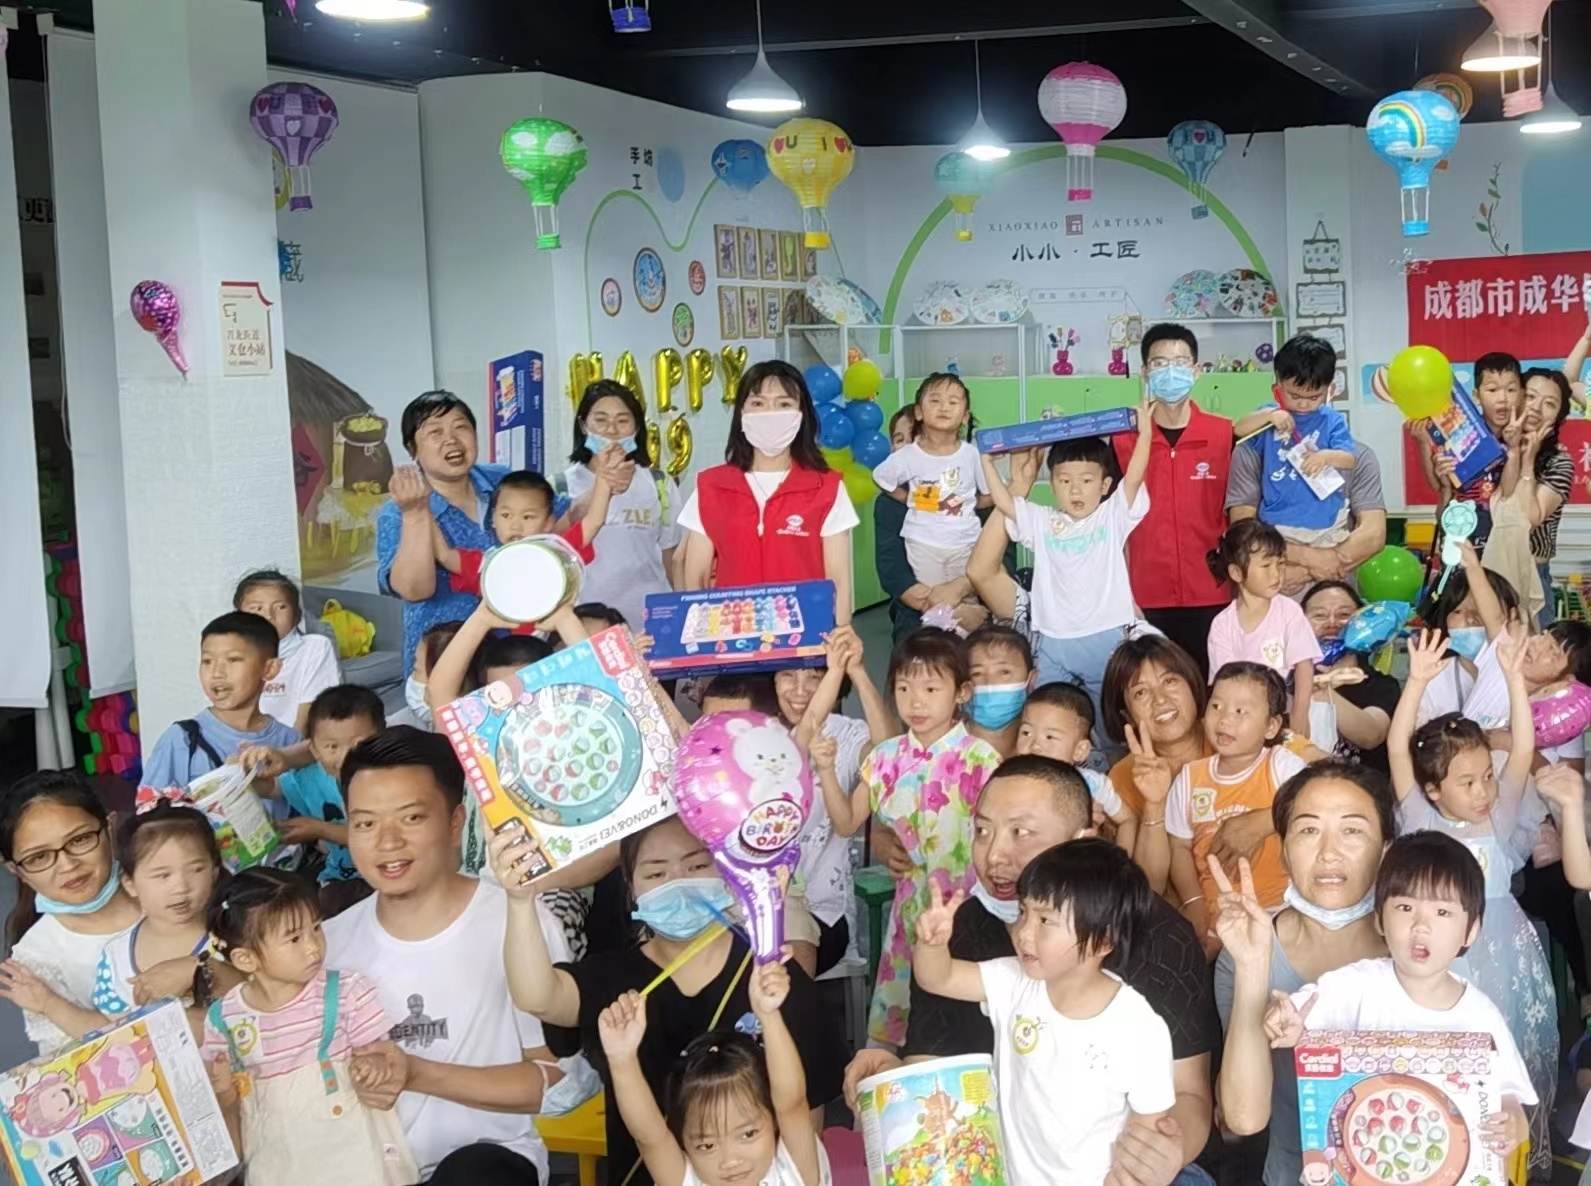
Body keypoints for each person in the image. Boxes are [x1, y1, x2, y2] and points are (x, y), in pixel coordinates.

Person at [848, 755, 1219, 1186]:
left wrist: (1162, 1154)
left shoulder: (1160, 940)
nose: (994, 854)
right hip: (1002, 1160)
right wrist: (895, 1082)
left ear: (1082, 842)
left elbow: (1187, 1096)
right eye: (982, 831)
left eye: (1020, 832)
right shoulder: (965, 931)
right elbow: (934, 1052)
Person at [497, 816, 845, 1186]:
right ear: (630, 884)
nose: (678, 883)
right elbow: (537, 996)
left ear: (726, 869)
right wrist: (519, 901)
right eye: (656, 873)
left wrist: (770, 1014)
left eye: (696, 865)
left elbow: (800, 1111)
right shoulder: (612, 979)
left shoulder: (773, 981)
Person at [324, 728, 569, 1185]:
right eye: (366, 823)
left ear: (456, 822)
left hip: (487, 1165)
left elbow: (556, 1079)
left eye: (411, 818)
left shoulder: (518, 922)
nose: (388, 842)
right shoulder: (327, 945)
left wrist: (418, 1073)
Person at [1219, 832, 1533, 1164]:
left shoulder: (1481, 1015)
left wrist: (1513, 1119)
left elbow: (1508, 1095)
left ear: (1471, 931)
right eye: (1405, 907)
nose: (1421, 926)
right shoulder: (1356, 984)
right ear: (1380, 919)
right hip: (1362, 1162)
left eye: (1442, 912)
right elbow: (1298, 1013)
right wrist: (1288, 1022)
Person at [912, 838, 1176, 1186]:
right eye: (1023, 912)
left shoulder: (1139, 1028)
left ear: (1102, 940)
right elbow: (938, 978)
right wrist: (931, 945)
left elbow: (1147, 1132)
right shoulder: (1014, 981)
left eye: (1045, 920)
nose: (1024, 933)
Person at [1389, 628, 1556, 1166]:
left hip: (1506, 958)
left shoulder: (1499, 816)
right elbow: (1396, 747)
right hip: (1446, 964)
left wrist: (1513, 679)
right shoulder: (1420, 819)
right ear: (1432, 789)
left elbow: (1523, 748)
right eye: (1467, 782)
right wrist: (1416, 682)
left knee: (1509, 1056)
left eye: (1487, 776)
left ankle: (1510, 1161)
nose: (1484, 790)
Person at [1210, 760, 1397, 1186]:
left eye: (1352, 830)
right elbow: (1243, 1118)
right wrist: (1253, 966)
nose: (1329, 852)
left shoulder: (1423, 948)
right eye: (1309, 830)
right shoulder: (1245, 951)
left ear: (1386, 849)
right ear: (1283, 849)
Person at [817, 628, 1001, 1046]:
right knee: (903, 1024)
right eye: (903, 688)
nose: (915, 702)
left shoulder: (981, 759)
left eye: (931, 689)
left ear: (961, 693)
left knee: (969, 1023)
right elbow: (846, 823)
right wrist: (826, 770)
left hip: (972, 907)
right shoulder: (884, 757)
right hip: (910, 911)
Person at [204, 867, 417, 1186]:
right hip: (277, 1170)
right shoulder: (224, 1020)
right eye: (294, 938)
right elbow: (225, 1099)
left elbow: (381, 1053)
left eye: (316, 928)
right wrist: (223, 1091)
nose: (313, 946)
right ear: (246, 959)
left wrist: (372, 1065)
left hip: (354, 1165)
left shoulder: (345, 992)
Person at [981, 403, 1152, 716]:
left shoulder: (1111, 516)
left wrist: (1146, 434)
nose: (1075, 490)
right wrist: (987, 462)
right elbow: (1005, 503)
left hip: (1104, 635)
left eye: (1086, 481)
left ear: (1104, 485)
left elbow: (1134, 478)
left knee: (1107, 717)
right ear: (1052, 484)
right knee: (1050, 712)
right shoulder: (1043, 521)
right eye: (1064, 481)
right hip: (1053, 638)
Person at [597, 960, 828, 1186]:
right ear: (683, 1142)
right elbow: (650, 1138)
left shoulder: (792, 1173)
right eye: (707, 1146)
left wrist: (768, 1016)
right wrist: (621, 1058)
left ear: (774, 1121)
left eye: (748, 1134)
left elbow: (791, 1103)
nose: (730, 1160)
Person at [677, 361, 855, 623]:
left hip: (805, 635)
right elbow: (696, 577)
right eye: (758, 403)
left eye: (784, 404)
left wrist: (840, 632)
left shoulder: (826, 487)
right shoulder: (711, 486)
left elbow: (838, 580)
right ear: (741, 413)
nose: (770, 413)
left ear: (801, 415)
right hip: (732, 633)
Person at [1152, 662, 1308, 954]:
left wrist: (1264, 821)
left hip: (1278, 909)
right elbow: (1180, 847)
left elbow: (1314, 804)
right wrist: (1194, 903)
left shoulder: (1280, 765)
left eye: (1241, 711)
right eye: (1216, 706)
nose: (1224, 719)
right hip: (1214, 913)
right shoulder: (1190, 777)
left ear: (1271, 726)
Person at [776, 626, 893, 976]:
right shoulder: (761, 735)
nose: (800, 690)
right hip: (763, 907)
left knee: (782, 966)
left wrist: (857, 670)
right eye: (788, 676)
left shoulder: (847, 732)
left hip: (824, 915)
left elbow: (889, 754)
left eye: (815, 676)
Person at [1119, 324, 1234, 677]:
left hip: (1213, 592)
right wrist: (1124, 597)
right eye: (1159, 363)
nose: (1171, 371)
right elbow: (1111, 528)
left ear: (1197, 370)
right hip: (1145, 595)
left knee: (1212, 689)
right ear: (1145, 372)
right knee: (1152, 690)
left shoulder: (1223, 434)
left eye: (1181, 362)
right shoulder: (1124, 440)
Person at [0, 771, 141, 1053]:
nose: (67, 865)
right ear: (17, 871)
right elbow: (76, 1060)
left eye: (79, 839)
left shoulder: (167, 887)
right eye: (39, 857)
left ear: (110, 827)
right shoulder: (38, 955)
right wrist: (51, 1004)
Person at [378, 390, 509, 675]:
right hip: (442, 662)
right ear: (413, 450)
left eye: (461, 427)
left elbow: (557, 522)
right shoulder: (396, 512)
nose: (451, 439)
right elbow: (415, 590)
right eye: (435, 432)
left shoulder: (503, 481)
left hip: (515, 655)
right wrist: (416, 514)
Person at [558, 379, 680, 631]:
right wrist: (602, 486)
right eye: (600, 420)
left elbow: (673, 558)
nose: (612, 430)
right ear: (583, 425)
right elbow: (553, 545)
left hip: (651, 622)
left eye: (623, 420)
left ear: (636, 428)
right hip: (585, 625)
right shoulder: (561, 485)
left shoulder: (659, 483)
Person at [430, 467, 618, 629]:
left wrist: (604, 482)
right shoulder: (489, 564)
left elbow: (594, 521)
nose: (515, 526)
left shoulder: (557, 551)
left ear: (548, 523)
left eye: (527, 517)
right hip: (516, 650)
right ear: (493, 519)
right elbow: (445, 556)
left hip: (559, 642)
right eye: (506, 515)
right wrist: (421, 509)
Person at [139, 611, 302, 793]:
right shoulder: (182, 739)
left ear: (270, 669)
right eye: (207, 661)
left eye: (233, 660)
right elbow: (149, 805)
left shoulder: (291, 743)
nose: (217, 673)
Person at [92, 801, 225, 1018]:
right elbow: (115, 1029)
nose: (181, 887)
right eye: (163, 875)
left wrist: (201, 970)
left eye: (196, 869)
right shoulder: (115, 958)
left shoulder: (237, 933)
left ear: (214, 872)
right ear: (130, 884)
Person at [1231, 335, 1357, 546]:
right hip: (1277, 523)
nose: (1304, 404)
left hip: (1325, 523)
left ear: (1329, 389)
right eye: (1295, 396)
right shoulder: (1270, 415)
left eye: (1314, 397)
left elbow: (1349, 459)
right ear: (1279, 383)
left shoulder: (1331, 420)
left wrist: (1325, 457)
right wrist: (1269, 415)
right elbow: (1238, 429)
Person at [1226, 440, 1388, 599]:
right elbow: (1243, 533)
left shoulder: (1358, 455)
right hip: (1270, 597)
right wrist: (1305, 557)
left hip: (1336, 599)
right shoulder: (1251, 452)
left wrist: (1305, 572)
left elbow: (1374, 535)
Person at [878, 407, 984, 644]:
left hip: (978, 602)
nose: (909, 448)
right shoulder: (888, 503)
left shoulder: (974, 496)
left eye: (916, 438)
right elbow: (893, 573)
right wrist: (954, 611)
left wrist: (960, 591)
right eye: (899, 440)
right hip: (917, 610)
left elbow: (1002, 561)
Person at [1205, 520, 1319, 738]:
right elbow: (1225, 681)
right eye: (1266, 566)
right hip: (1242, 718)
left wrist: (1300, 713)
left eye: (1281, 564)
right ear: (1236, 573)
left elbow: (1304, 664)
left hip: (1285, 712)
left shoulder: (1289, 611)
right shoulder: (1222, 624)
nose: (1276, 574)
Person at [873, 373, 989, 586]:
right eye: (935, 401)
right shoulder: (909, 455)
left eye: (953, 402)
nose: (944, 407)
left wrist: (968, 503)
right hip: (922, 541)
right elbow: (880, 477)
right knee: (933, 597)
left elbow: (989, 493)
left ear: (965, 416)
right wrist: (907, 498)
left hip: (966, 541)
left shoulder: (972, 454)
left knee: (966, 595)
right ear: (919, 412)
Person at [277, 684, 382, 916]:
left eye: (358, 744)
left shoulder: (391, 780)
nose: (345, 757)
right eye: (332, 746)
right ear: (314, 750)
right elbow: (272, 788)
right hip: (339, 879)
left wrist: (319, 829)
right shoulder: (312, 778)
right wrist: (240, 770)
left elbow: (374, 835)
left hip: (387, 872)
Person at [1015, 682, 1139, 854]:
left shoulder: (1092, 786)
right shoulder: (1008, 782)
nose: (1034, 745)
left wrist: (1120, 863)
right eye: (1026, 732)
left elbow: (1128, 820)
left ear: (1080, 750)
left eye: (1050, 737)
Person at [1416, 352, 1521, 553]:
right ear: (1476, 395)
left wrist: (1514, 449)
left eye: (1511, 389)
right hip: (1460, 531)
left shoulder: (1525, 439)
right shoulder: (1460, 432)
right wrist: (1428, 449)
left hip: (1502, 539)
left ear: (1521, 393)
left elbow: (1510, 494)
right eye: (1492, 389)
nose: (1502, 399)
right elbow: (1439, 485)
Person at [1497, 367, 1574, 624]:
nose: (1536, 408)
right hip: (1488, 569)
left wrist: (1528, 463)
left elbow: (1531, 518)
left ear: (1559, 418)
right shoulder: (1493, 448)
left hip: (1532, 576)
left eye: (1549, 404)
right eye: (1530, 396)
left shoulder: (1559, 463)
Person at [1299, 581, 1400, 772]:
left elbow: (1371, 735)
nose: (1332, 623)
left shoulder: (1381, 685)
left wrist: (1322, 691)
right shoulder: (1286, 679)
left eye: (1344, 615)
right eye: (1319, 615)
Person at [237, 569, 343, 734]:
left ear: (297, 615)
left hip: (298, 746)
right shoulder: (234, 656)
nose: (269, 616)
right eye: (257, 608)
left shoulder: (314, 648)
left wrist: (286, 749)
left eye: (280, 607)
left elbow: (307, 722)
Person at [964, 624, 1035, 758]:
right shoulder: (941, 750)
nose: (989, 683)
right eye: (976, 673)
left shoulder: (1042, 749)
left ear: (1031, 680)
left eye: (1004, 672)